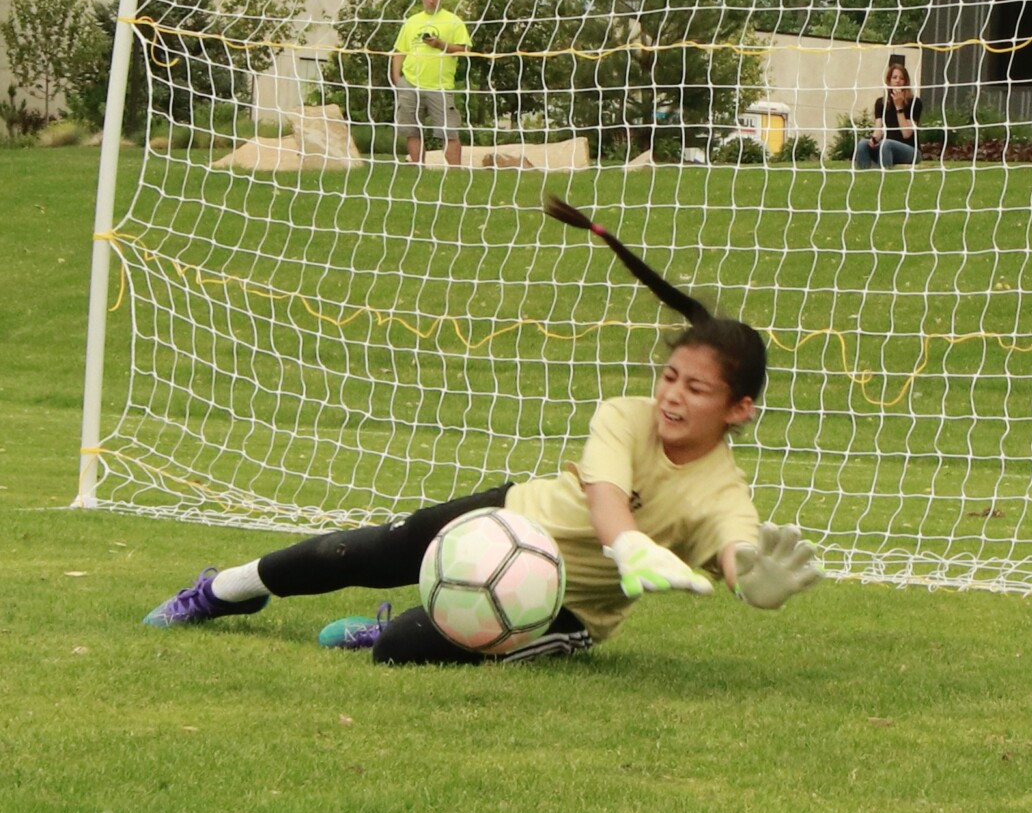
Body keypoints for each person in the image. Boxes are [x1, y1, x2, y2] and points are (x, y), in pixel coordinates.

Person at [141, 195, 826, 664]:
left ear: (738, 409)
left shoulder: (720, 490)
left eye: (696, 389)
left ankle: (413, 623)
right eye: (671, 376)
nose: (672, 395)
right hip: (509, 518)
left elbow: (738, 545)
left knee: (397, 650)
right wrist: (626, 545)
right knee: (361, 550)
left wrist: (748, 579)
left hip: (565, 606)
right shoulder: (625, 414)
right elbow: (605, 497)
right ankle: (220, 590)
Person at [390, 0, 472, 166]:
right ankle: (419, 168)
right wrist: (397, 79)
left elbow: (465, 49)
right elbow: (399, 50)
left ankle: (454, 173)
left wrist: (440, 45)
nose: (431, 1)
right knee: (411, 130)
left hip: (440, 86)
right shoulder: (412, 21)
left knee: (449, 132)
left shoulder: (453, 21)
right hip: (410, 83)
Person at [857, 59, 924, 170]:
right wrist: (873, 140)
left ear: (906, 82)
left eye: (901, 78)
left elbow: (907, 133)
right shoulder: (881, 102)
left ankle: (884, 176)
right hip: (885, 146)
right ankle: (864, 176)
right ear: (889, 81)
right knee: (862, 144)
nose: (898, 81)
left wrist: (899, 107)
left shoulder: (915, 103)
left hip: (910, 150)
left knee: (886, 144)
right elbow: (878, 129)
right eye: (894, 78)